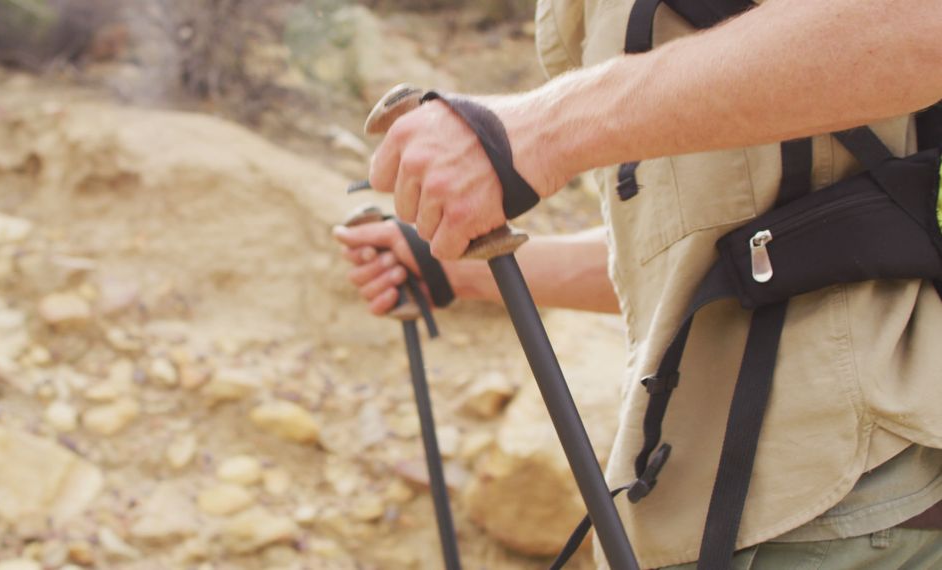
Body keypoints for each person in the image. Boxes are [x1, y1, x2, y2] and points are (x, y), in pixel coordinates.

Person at [333, 0, 942, 568]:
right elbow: (697, 261)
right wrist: (455, 272)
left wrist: (544, 128)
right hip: (717, 506)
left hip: (837, 498)